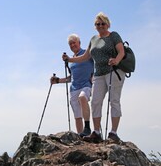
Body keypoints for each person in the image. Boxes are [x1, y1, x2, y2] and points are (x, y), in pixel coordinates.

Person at [62, 12, 125, 143]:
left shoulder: (114, 36)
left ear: (107, 24)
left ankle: (113, 133)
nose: (100, 26)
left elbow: (121, 51)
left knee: (114, 101)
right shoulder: (93, 39)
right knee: (96, 101)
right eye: (98, 24)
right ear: (95, 26)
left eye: (103, 23)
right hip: (99, 74)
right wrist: (69, 59)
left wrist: (116, 60)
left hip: (114, 71)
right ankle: (96, 132)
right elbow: (85, 57)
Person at [51, 34, 94, 137]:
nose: (72, 45)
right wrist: (57, 81)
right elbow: (72, 77)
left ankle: (87, 128)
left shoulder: (86, 53)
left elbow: (95, 66)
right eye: (70, 44)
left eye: (74, 42)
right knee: (77, 115)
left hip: (86, 84)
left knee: (82, 97)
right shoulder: (71, 60)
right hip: (74, 88)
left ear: (79, 43)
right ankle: (80, 136)